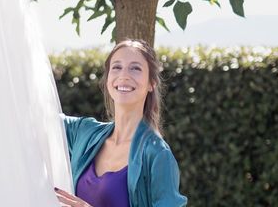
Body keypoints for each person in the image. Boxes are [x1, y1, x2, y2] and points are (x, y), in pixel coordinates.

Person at [54, 39, 187, 207]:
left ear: (151, 84)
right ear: (108, 79)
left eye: (135, 68)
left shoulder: (157, 154)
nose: (124, 75)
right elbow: (39, 115)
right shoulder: (85, 133)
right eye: (116, 67)